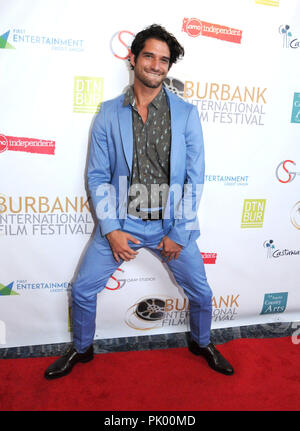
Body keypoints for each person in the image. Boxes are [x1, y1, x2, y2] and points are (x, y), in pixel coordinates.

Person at [44, 24, 234, 379]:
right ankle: (82, 349)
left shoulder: (186, 115)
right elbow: (98, 176)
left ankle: (202, 341)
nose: (156, 65)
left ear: (168, 67)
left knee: (202, 293)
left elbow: (195, 178)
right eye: (149, 56)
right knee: (83, 289)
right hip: (123, 222)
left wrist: (179, 231)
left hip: (171, 223)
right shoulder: (108, 113)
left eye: (164, 60)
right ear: (133, 59)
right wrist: (112, 230)